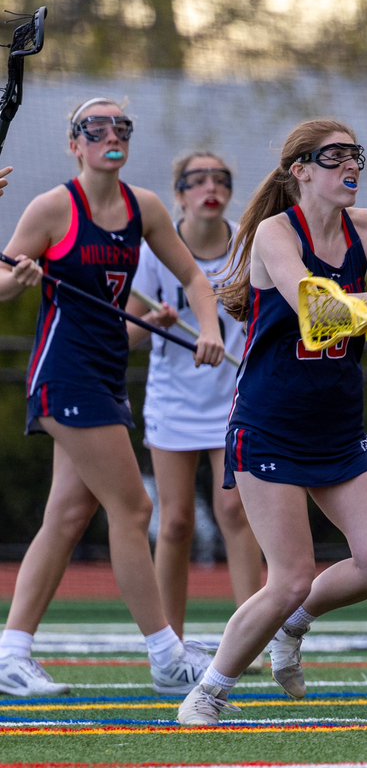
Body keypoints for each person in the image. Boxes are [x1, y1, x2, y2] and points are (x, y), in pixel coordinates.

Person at [174, 118, 367, 725]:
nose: (350, 165)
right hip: (269, 423)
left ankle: (294, 622)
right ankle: (209, 691)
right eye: (334, 157)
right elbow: (316, 309)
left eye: (355, 155)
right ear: (301, 171)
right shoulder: (276, 233)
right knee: (289, 576)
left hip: (339, 427)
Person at [0, 99, 226, 698]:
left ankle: (12, 652)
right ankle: (165, 654)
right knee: (134, 510)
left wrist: (208, 328)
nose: (110, 135)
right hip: (64, 373)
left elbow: (197, 280)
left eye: (120, 127)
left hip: (105, 372)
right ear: (75, 144)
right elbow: (0, 281)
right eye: (94, 129)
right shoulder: (54, 207)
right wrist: (15, 280)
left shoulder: (144, 207)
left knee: (68, 516)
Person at [125, 152, 262, 644]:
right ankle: (172, 646)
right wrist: (152, 322)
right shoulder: (154, 251)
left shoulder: (249, 246)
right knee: (176, 521)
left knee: (236, 513)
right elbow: (124, 336)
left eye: (221, 179)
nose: (211, 187)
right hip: (173, 402)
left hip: (236, 397)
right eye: (197, 179)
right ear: (179, 193)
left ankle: (252, 638)